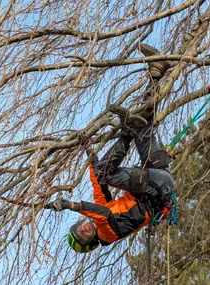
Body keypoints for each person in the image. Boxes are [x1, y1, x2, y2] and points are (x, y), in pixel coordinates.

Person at [46, 44, 175, 253]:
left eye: (79, 227)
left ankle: (156, 73)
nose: (84, 228)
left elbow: (98, 183)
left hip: (156, 179)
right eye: (83, 234)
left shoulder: (104, 210)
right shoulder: (107, 233)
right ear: (91, 242)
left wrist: (88, 150)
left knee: (144, 126)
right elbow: (101, 214)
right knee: (108, 168)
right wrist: (73, 205)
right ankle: (127, 134)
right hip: (155, 189)